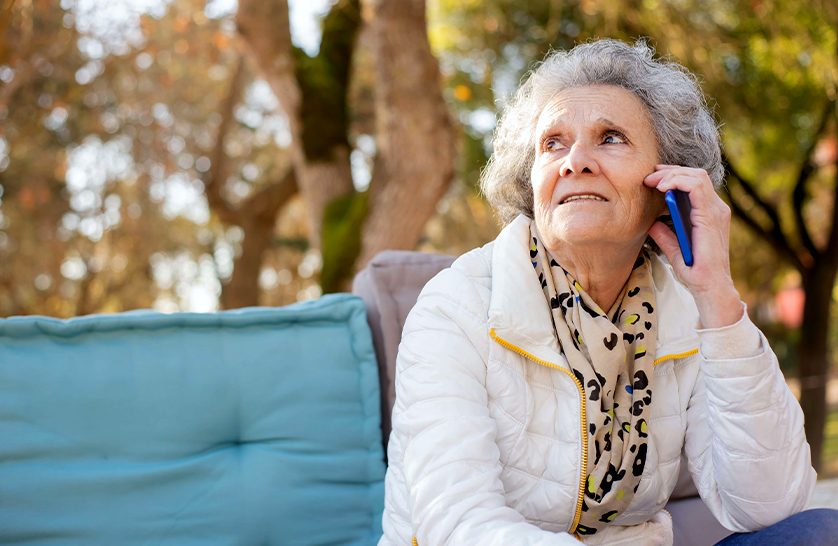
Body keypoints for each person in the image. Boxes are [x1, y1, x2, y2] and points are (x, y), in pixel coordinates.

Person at [378, 39, 838, 546]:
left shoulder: (684, 308)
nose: (574, 161)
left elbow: (770, 504)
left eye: (611, 137)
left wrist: (717, 298)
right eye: (552, 143)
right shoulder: (454, 306)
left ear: (667, 185)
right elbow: (458, 522)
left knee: (820, 532)